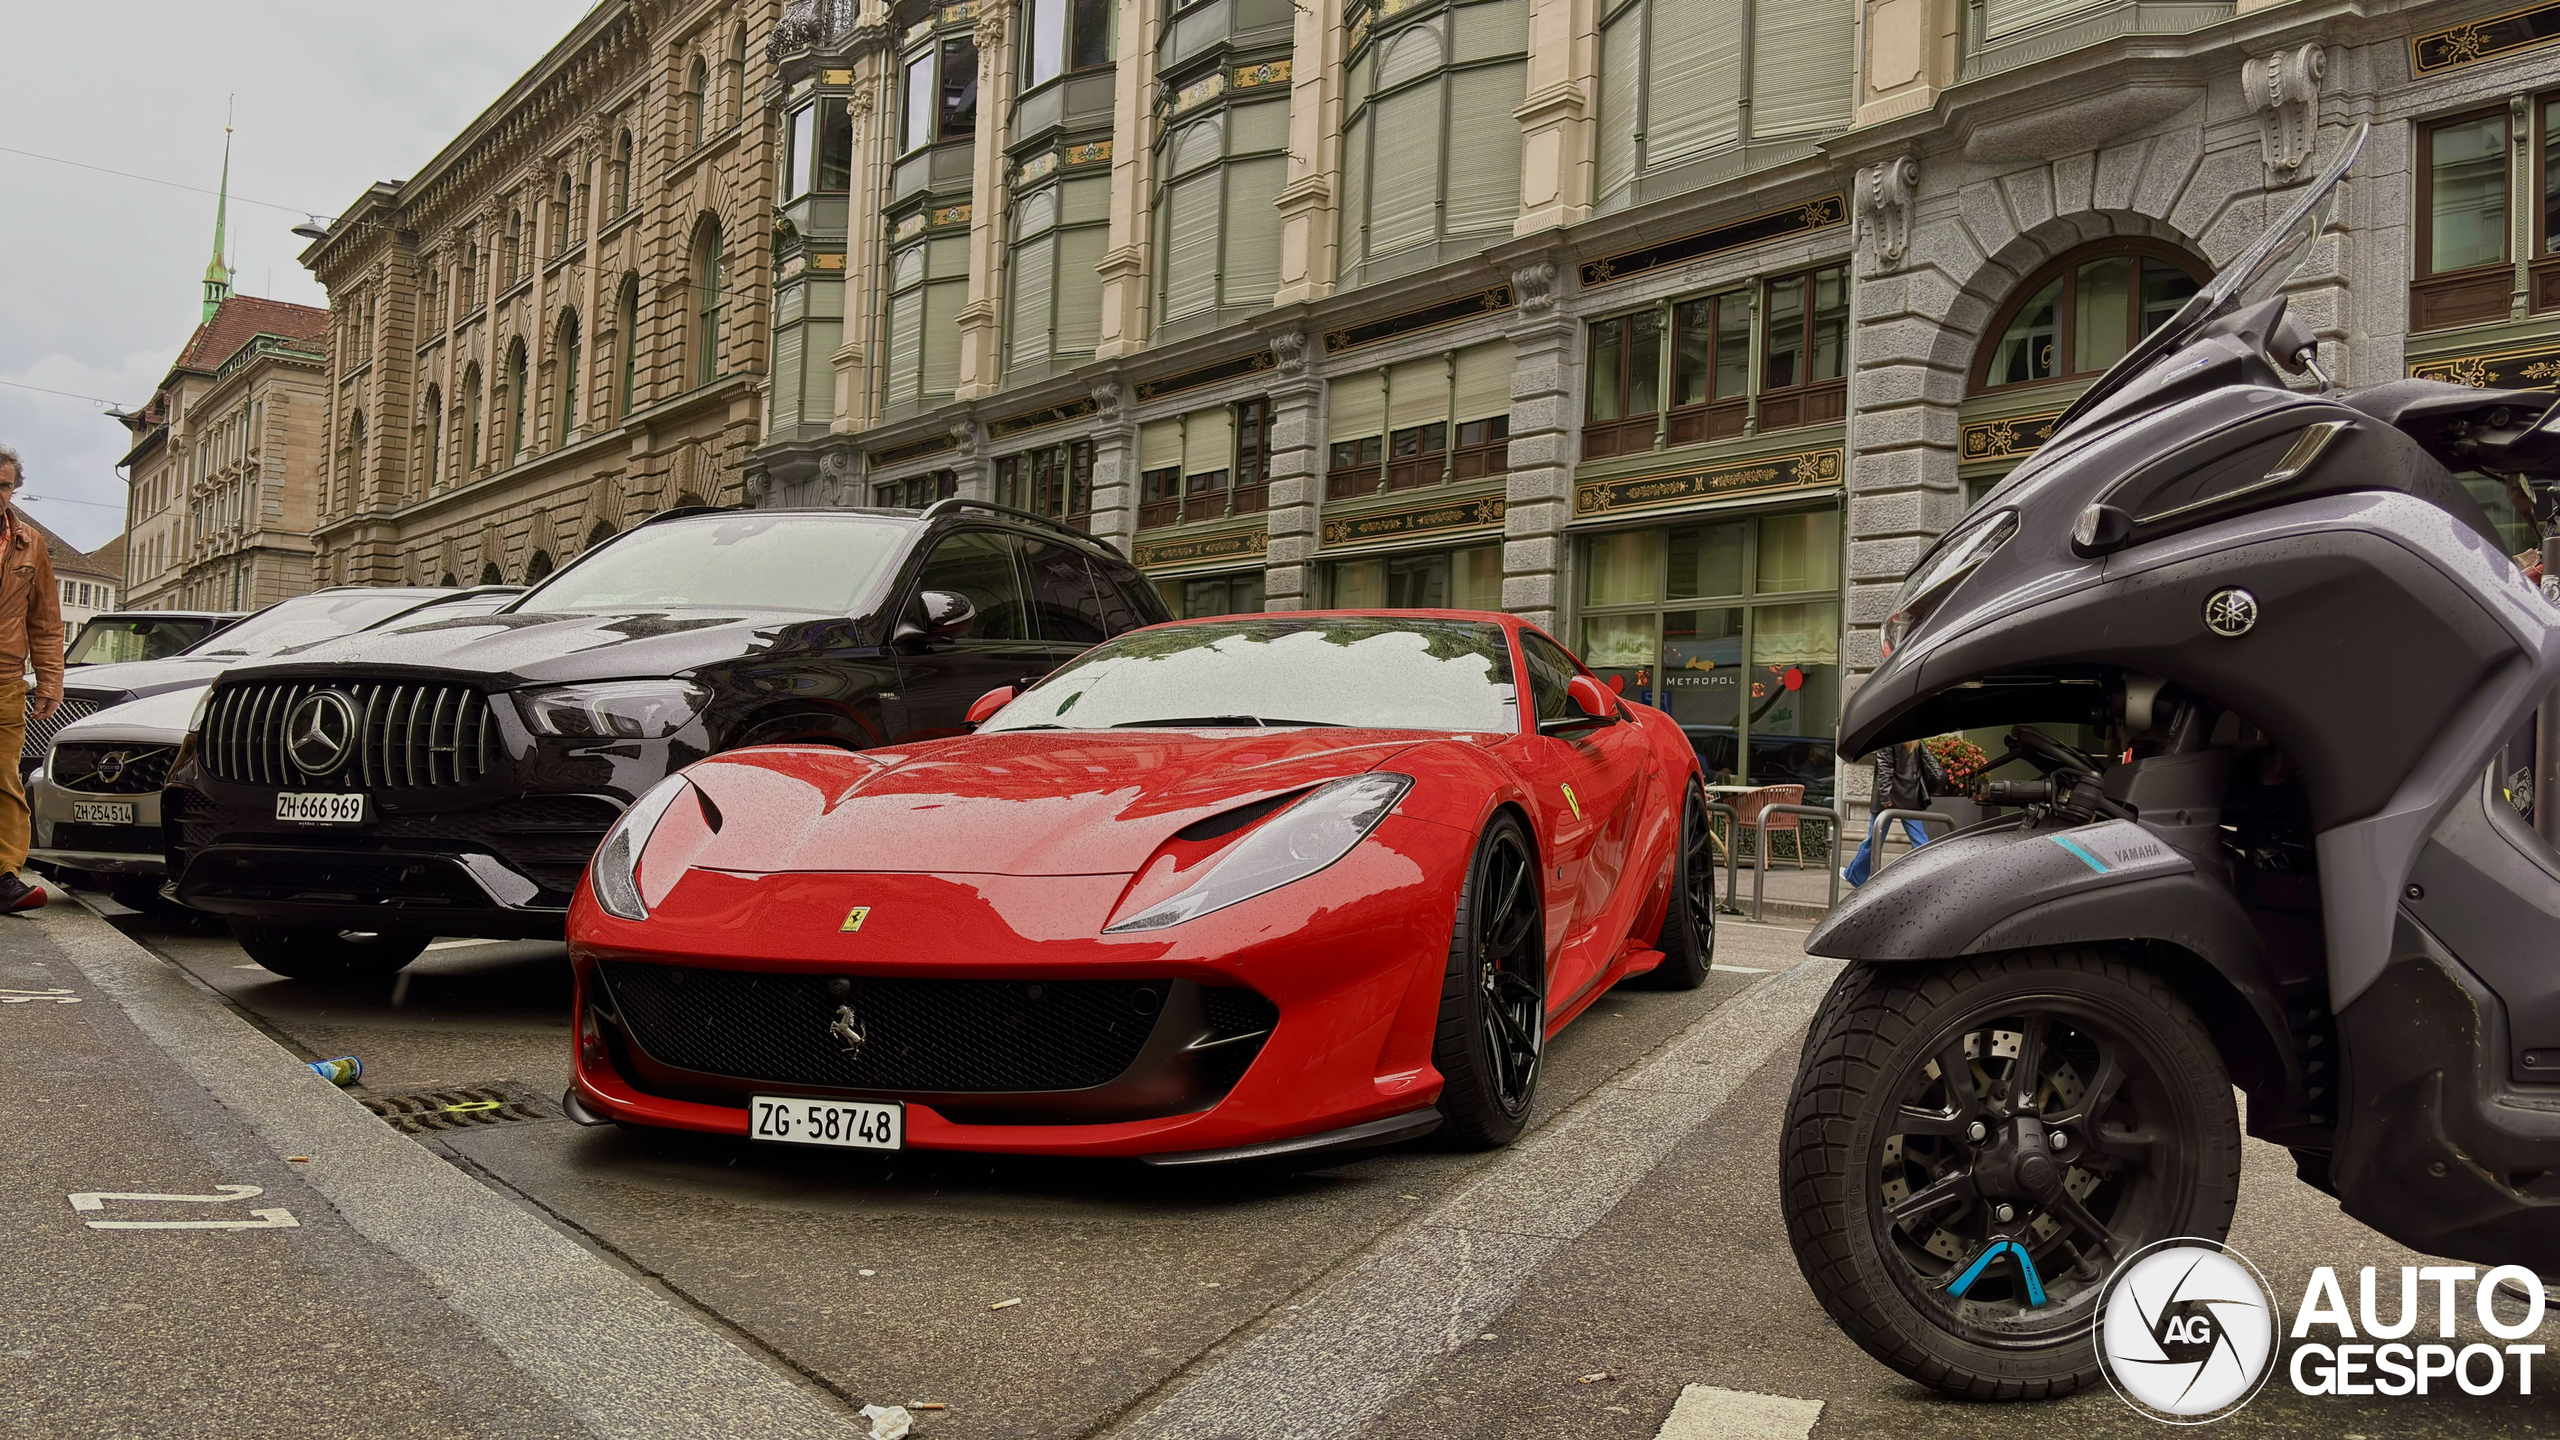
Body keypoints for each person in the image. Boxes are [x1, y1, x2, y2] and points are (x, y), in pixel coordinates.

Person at [0, 444, 62, 912]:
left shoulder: (29, 543)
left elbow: (45, 620)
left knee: (6, 782)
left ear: (15, 488)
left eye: (4, 485)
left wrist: (50, 681)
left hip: (4, 680)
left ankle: (5, 878)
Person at [1843, 737, 1943, 888]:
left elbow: (1885, 767)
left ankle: (1854, 876)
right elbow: (1934, 766)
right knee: (1920, 841)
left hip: (1889, 798)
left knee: (1874, 839)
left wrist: (1884, 796)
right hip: (1911, 797)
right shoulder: (1916, 740)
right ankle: (1934, 875)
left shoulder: (1887, 738)